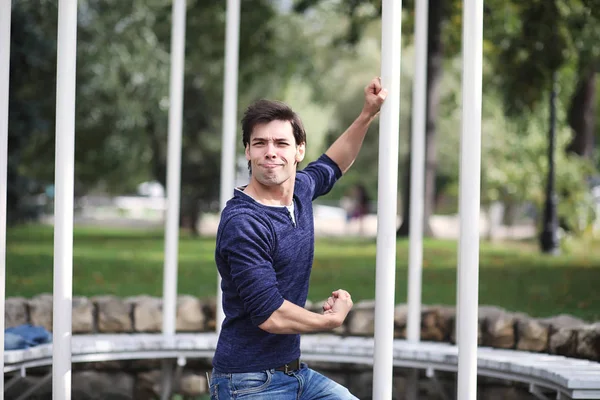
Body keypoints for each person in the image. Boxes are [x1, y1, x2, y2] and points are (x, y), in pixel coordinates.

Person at [210, 77, 387, 399]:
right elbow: (270, 315)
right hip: (248, 381)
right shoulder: (244, 223)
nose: (270, 153)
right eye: (260, 143)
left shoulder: (300, 191)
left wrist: (366, 115)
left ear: (298, 151)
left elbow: (335, 162)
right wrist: (329, 321)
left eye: (281, 143)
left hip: (294, 372)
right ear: (248, 152)